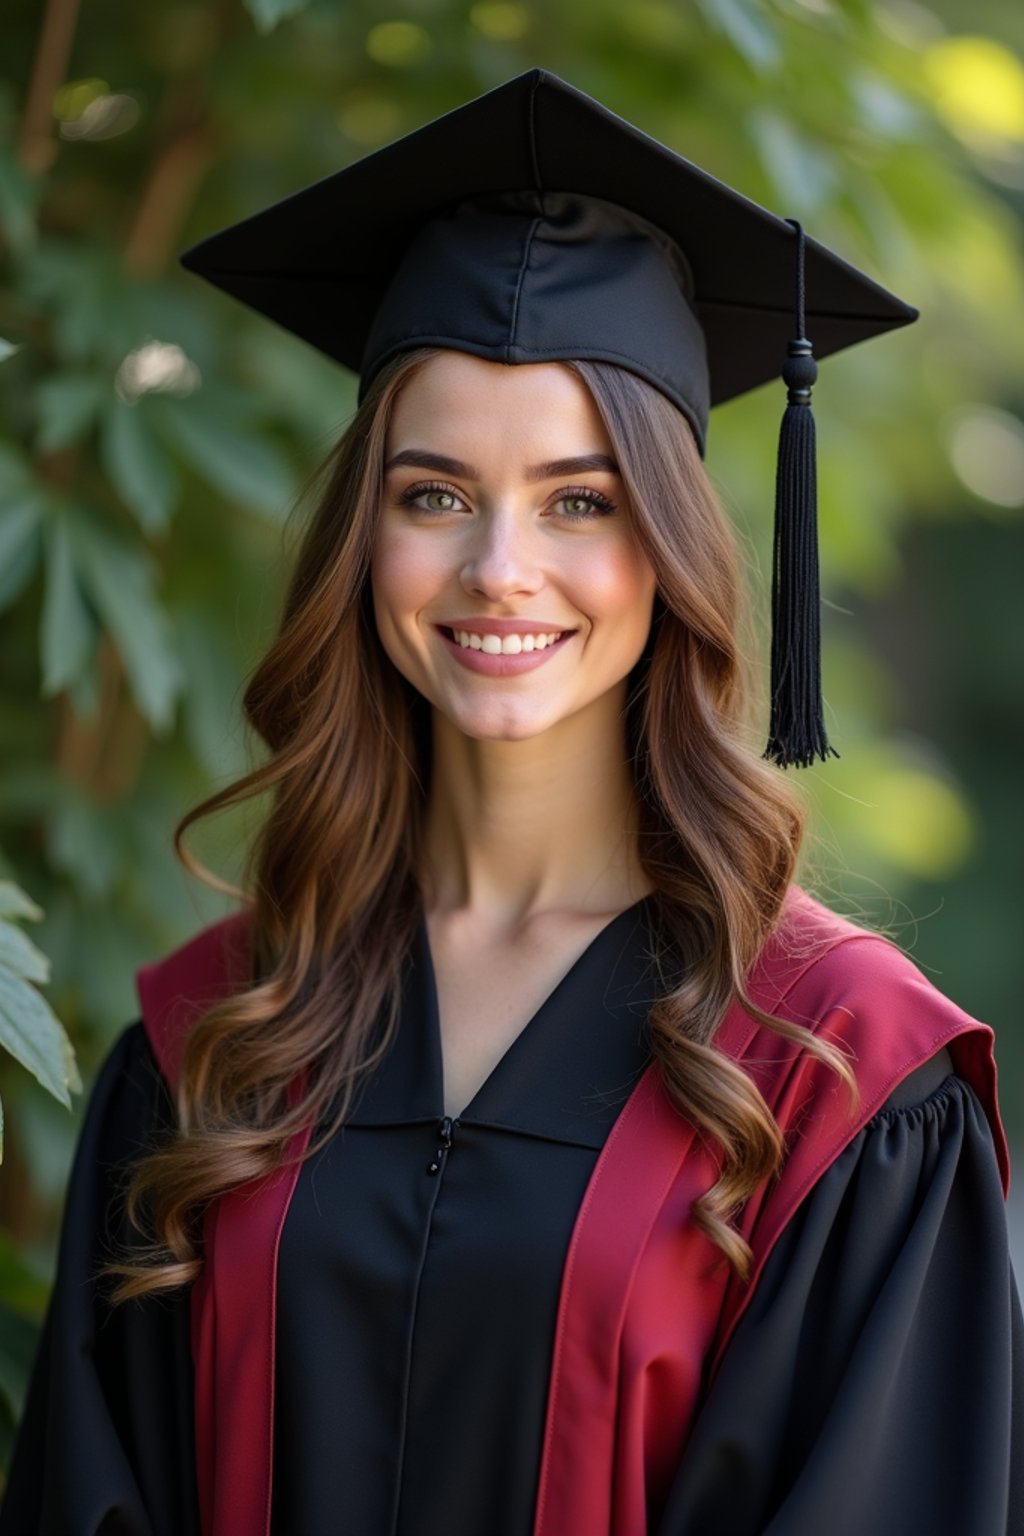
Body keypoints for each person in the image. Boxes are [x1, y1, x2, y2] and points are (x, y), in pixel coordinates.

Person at [2, 69, 1021, 1536]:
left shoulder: (836, 1075)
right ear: (365, 541)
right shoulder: (215, 1040)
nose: (498, 569)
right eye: (433, 496)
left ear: (671, 546)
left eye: (580, 499)